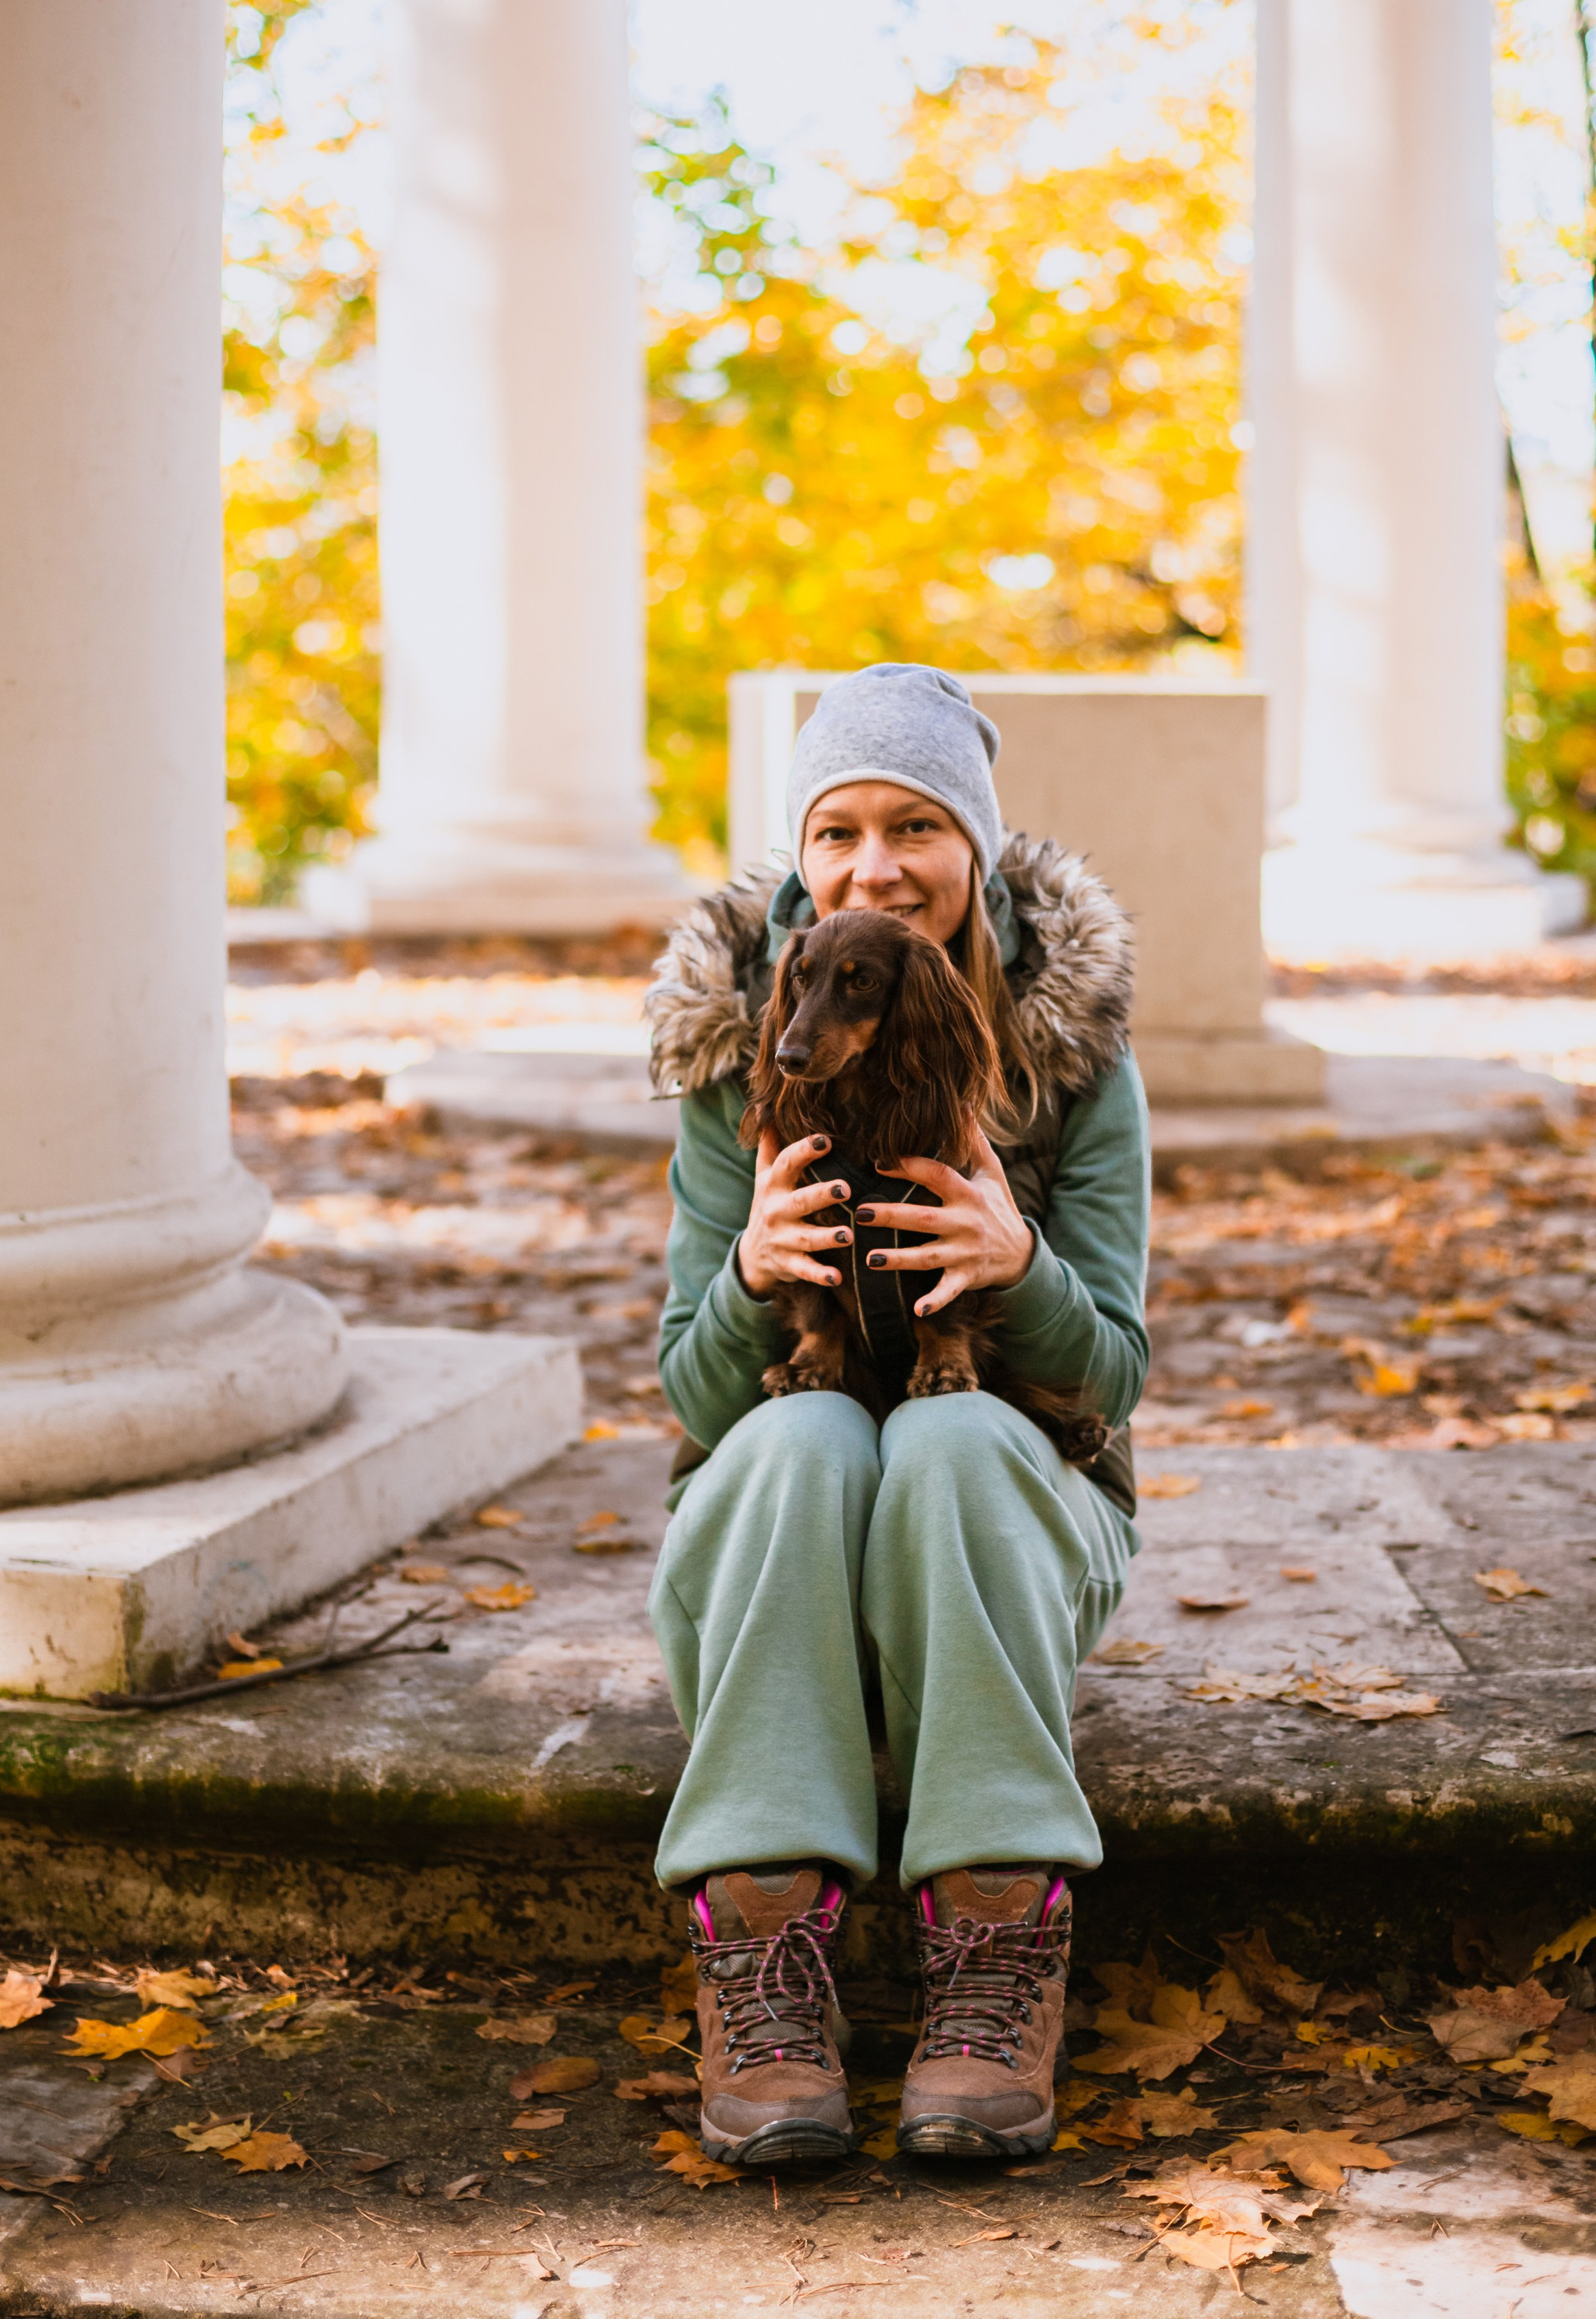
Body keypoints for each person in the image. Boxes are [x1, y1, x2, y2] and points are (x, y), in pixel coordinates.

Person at [644, 662, 1150, 2164]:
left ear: (975, 848)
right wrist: (744, 1280)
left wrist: (1024, 1269)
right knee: (802, 1433)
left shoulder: (1074, 1058)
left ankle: (997, 1927)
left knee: (945, 1434)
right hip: (772, 1527)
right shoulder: (742, 1048)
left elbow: (1107, 1380)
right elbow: (688, 1389)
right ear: (800, 863)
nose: (875, 863)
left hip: (1007, 1509)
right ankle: (758, 1938)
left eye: (916, 824)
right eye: (837, 831)